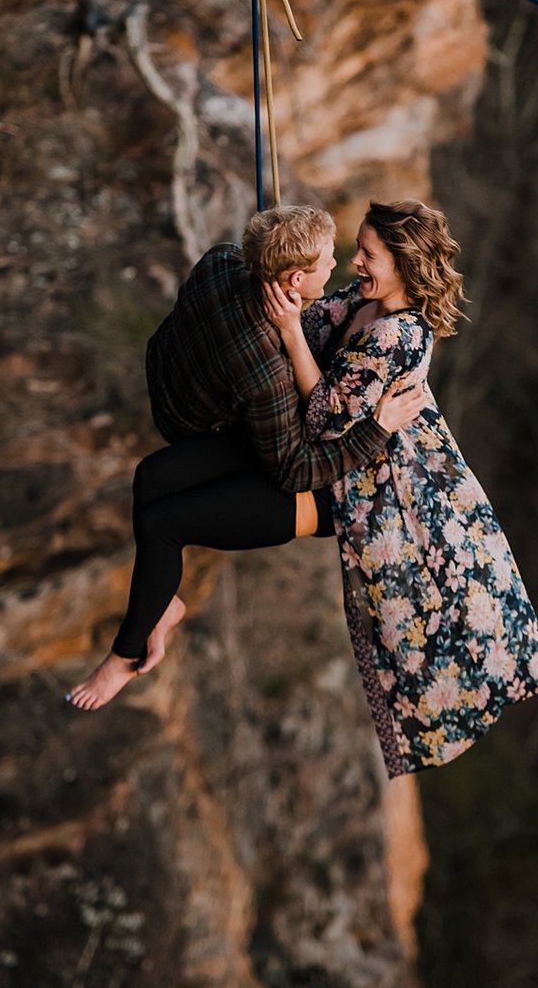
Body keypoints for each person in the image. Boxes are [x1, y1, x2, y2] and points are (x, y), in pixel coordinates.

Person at [67, 204, 424, 711]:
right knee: (151, 477)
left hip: (322, 487)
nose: (344, 264)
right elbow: (294, 440)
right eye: (333, 257)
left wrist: (377, 429)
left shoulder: (224, 261)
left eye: (363, 254)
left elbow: (295, 470)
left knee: (165, 523)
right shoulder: (275, 328)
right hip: (292, 445)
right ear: (293, 278)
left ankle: (125, 655)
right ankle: (161, 601)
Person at [263, 199, 538, 777]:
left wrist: (291, 331)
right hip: (368, 460)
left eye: (368, 254)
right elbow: (320, 322)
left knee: (424, 608)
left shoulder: (399, 336)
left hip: (387, 486)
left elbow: (324, 413)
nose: (355, 261)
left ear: (401, 261)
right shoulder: (364, 301)